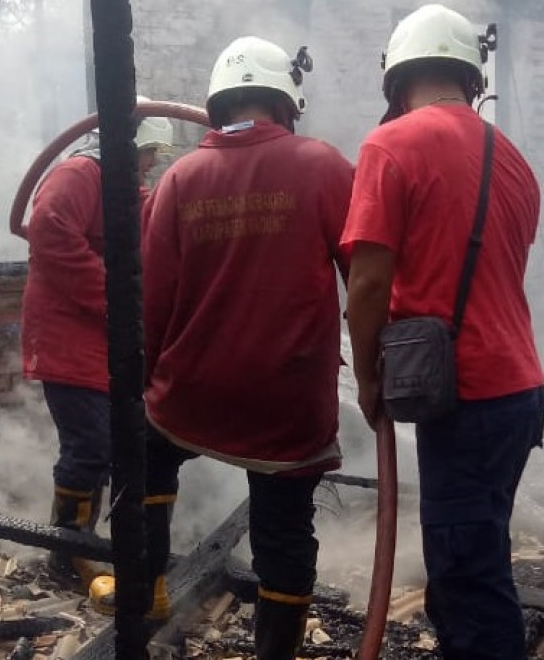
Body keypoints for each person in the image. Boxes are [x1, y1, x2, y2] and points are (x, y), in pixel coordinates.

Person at [95, 36, 353, 660]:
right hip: (287, 404)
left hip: (193, 393)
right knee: (284, 531)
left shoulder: (180, 179)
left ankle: (147, 591)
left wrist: (147, 384)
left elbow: (151, 300)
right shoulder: (324, 166)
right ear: (285, 101)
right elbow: (367, 278)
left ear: (218, 104)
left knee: (148, 459)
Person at [341, 4, 544, 660]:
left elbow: (367, 283)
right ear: (469, 78)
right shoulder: (513, 160)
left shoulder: (391, 145)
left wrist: (368, 378)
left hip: (467, 400)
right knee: (475, 561)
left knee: (467, 581)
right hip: (517, 393)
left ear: (397, 79)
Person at [20, 103, 173, 586]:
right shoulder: (79, 175)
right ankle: (68, 552)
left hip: (100, 342)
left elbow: (154, 228)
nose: (152, 162)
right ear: (127, 144)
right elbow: (50, 233)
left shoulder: (124, 188)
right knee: (90, 445)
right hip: (67, 338)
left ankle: (82, 546)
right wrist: (117, 297)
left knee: (107, 443)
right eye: (149, 151)